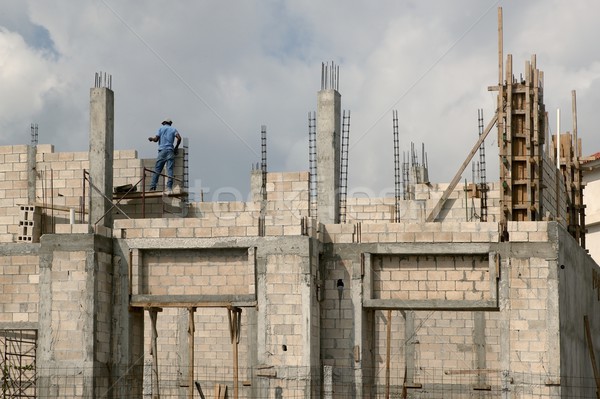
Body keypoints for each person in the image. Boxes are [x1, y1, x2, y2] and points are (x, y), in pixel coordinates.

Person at [148, 119, 182, 194]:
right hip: (170, 151)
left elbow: (156, 139)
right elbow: (179, 138)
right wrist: (176, 147)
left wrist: (151, 139)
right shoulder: (173, 129)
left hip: (162, 151)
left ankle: (153, 187)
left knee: (157, 170)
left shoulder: (161, 128)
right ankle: (169, 187)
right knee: (170, 169)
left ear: (164, 123)